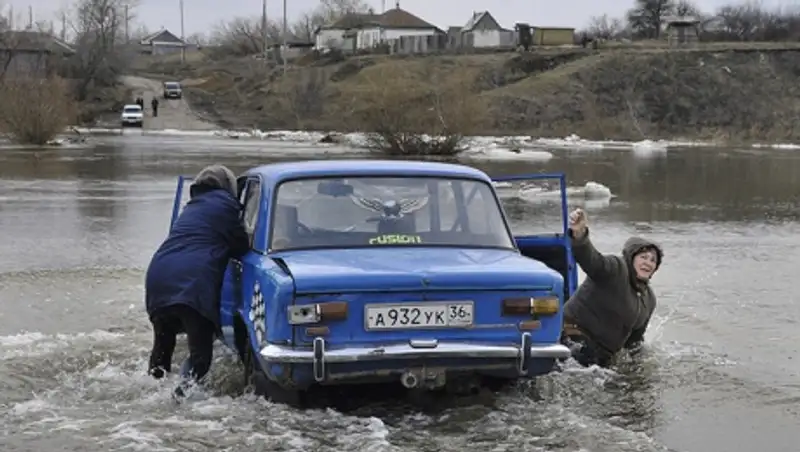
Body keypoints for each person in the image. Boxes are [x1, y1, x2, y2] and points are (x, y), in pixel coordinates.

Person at [145, 165, 249, 393]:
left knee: (163, 349)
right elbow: (242, 246)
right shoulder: (226, 206)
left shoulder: (192, 207)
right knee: (200, 357)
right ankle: (179, 399)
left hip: (158, 277)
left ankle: (152, 396)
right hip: (191, 285)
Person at [561, 208, 663, 368]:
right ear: (631, 258)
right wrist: (580, 236)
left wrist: (639, 365)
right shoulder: (616, 268)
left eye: (653, 260)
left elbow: (635, 341)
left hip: (603, 353)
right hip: (573, 333)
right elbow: (591, 260)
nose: (648, 263)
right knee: (586, 366)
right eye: (643, 257)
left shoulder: (648, 299)